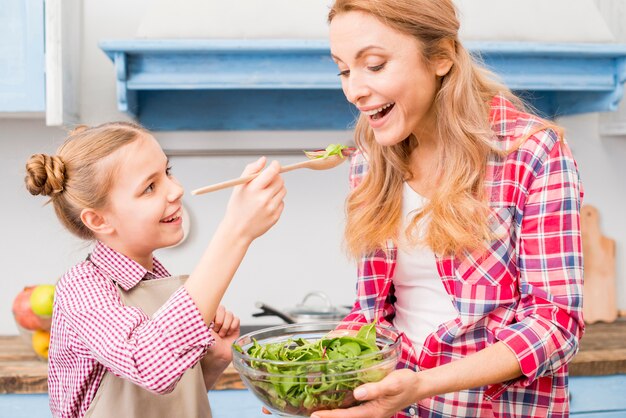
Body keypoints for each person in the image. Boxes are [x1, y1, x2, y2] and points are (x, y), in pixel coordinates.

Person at [312, 1, 585, 417]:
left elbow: (555, 324)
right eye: (344, 70)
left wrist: (421, 385)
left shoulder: (531, 152)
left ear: (440, 56)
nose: (354, 90)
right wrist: (320, 379)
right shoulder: (370, 160)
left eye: (375, 65)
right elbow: (373, 314)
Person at [25, 122, 286, 418]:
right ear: (98, 221)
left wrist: (213, 360)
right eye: (150, 187)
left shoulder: (164, 284)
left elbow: (162, 401)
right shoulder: (81, 289)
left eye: (168, 172)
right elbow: (148, 365)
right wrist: (236, 232)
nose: (176, 190)